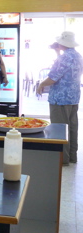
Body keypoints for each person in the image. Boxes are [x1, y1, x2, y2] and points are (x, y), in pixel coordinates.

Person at [37, 31, 83, 165]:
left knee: (60, 128)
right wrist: (57, 54)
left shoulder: (64, 58)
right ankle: (72, 156)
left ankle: (63, 159)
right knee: (72, 127)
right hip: (73, 97)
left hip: (60, 98)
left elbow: (53, 77)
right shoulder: (78, 56)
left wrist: (41, 84)